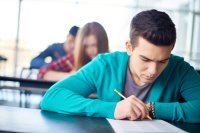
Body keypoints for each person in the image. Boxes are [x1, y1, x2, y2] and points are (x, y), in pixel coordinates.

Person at [40, 9, 200, 123]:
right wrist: (113, 109)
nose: (153, 71)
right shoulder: (105, 65)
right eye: (145, 59)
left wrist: (151, 109)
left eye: (163, 61)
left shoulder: (181, 69)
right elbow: (52, 97)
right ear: (129, 47)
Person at [37, 22, 109, 81]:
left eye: (94, 45)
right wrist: (72, 76)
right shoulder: (75, 57)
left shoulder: (112, 60)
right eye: (86, 46)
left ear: (102, 43)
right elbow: (42, 72)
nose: (90, 50)